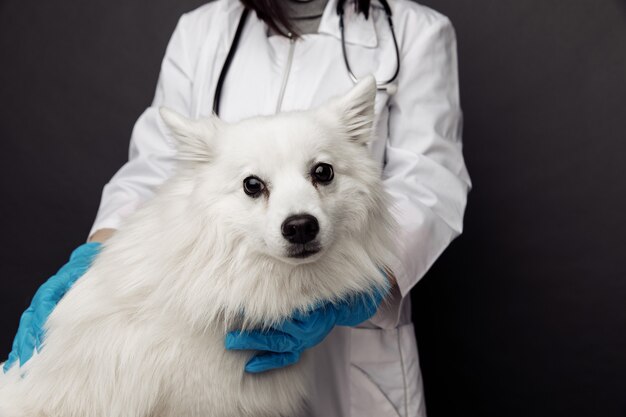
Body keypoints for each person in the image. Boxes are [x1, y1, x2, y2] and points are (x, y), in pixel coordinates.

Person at [4, 0, 471, 415]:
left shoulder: (414, 31)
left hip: (355, 361)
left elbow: (429, 184)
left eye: (320, 174)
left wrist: (360, 290)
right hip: (214, 337)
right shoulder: (202, 30)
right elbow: (156, 171)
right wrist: (96, 262)